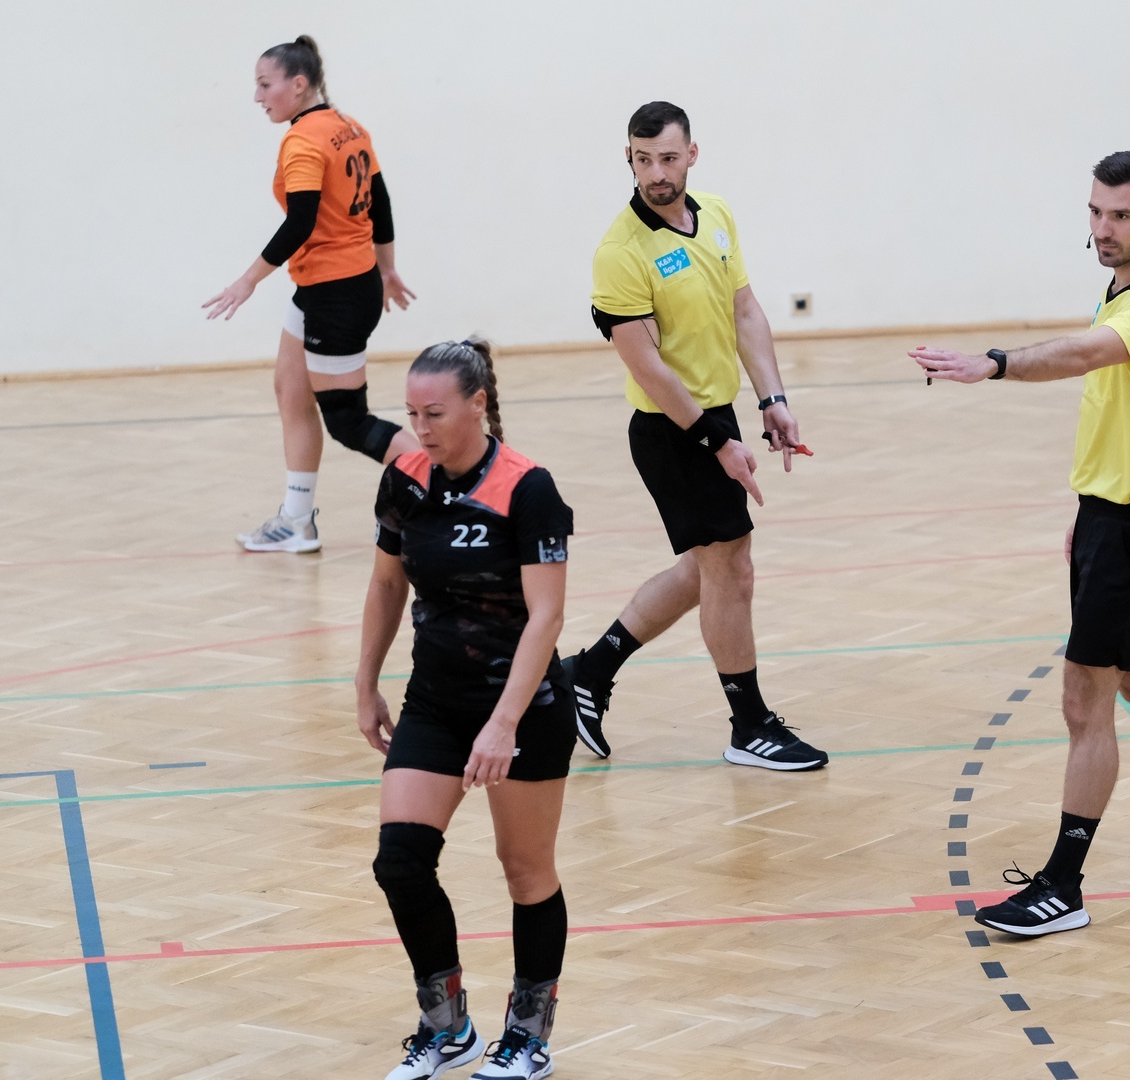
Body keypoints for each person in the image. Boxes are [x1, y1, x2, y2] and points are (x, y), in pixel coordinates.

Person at [909, 152, 1130, 938]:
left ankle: (1062, 886)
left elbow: (1083, 355)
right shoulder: (1123, 285)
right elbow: (1113, 402)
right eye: (1096, 212)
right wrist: (1089, 508)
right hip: (1116, 519)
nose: (1104, 229)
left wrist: (991, 364)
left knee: (1085, 701)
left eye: (1121, 215)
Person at [568, 100, 827, 772]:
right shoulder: (620, 253)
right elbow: (648, 368)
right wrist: (717, 442)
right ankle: (749, 724)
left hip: (717, 417)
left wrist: (772, 399)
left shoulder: (715, 216)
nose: (656, 173)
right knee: (731, 569)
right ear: (628, 159)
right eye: (642, 159)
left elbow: (745, 310)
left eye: (667, 158)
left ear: (692, 155)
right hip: (671, 429)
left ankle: (587, 674)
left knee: (704, 568)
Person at [356, 340, 574, 1079]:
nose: (419, 429)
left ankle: (528, 1037)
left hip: (524, 707)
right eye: (411, 414)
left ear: (477, 405)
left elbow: (546, 616)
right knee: (400, 862)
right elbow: (387, 584)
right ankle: (447, 1026)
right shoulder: (404, 479)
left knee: (525, 870)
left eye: (435, 414)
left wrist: (504, 724)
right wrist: (365, 682)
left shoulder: (527, 489)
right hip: (435, 702)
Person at [204, 35, 420, 553]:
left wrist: (247, 280)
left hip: (336, 293)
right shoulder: (349, 127)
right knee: (291, 391)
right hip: (333, 284)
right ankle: (297, 521)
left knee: (349, 421)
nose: (258, 96)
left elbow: (300, 222)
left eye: (265, 84)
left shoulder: (303, 141)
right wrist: (387, 268)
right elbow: (380, 203)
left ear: (298, 85)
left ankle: (448, 481)